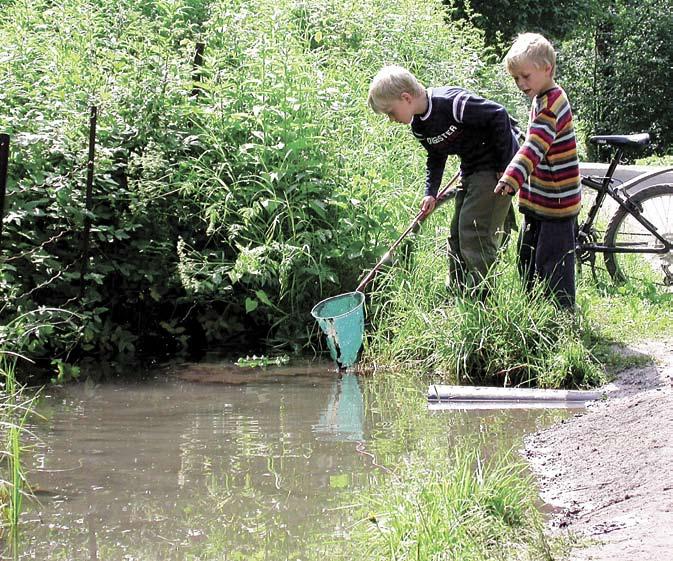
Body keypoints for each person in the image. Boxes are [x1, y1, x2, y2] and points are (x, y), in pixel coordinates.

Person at [368, 65, 520, 296]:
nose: (391, 119)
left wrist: (505, 167)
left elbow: (499, 115)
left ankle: (481, 298)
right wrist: (431, 192)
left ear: (406, 98)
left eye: (390, 112)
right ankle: (457, 293)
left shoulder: (453, 104)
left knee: (474, 231)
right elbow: (436, 155)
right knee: (458, 232)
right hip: (470, 168)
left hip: (495, 167)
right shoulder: (419, 126)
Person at [494, 33, 581, 310]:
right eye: (516, 78)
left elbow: (534, 146)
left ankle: (562, 316)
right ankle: (532, 307)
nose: (520, 84)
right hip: (539, 199)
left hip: (556, 201)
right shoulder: (542, 98)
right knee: (528, 256)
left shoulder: (552, 104)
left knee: (554, 262)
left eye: (525, 76)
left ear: (548, 69)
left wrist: (512, 176)